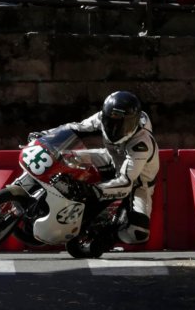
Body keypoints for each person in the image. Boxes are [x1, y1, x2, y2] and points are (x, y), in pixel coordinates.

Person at [62, 91, 159, 245]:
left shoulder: (142, 143)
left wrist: (94, 190)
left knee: (138, 233)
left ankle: (104, 234)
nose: (115, 129)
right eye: (111, 122)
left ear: (135, 122)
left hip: (137, 184)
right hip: (110, 159)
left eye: (124, 124)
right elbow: (76, 127)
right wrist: (46, 135)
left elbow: (126, 182)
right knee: (64, 157)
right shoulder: (101, 117)